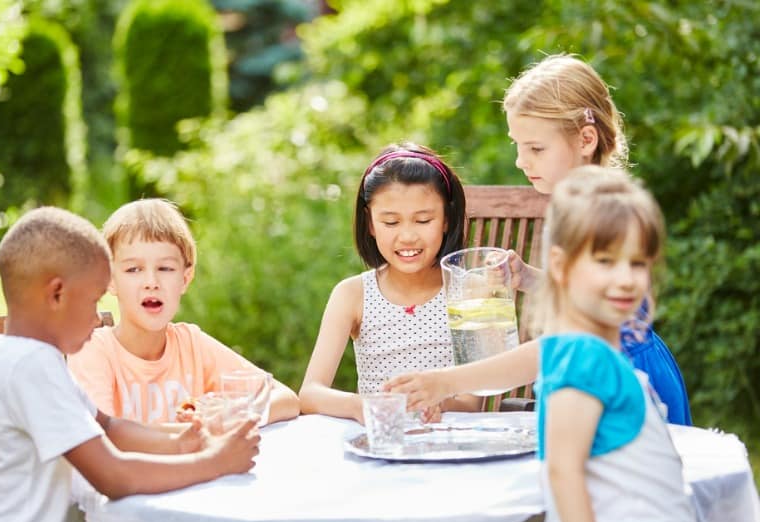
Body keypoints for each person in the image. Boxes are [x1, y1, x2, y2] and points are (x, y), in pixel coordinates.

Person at [388, 54, 692, 426]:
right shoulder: (577, 207)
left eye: (535, 148)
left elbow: (561, 345)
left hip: (620, 385)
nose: (520, 161)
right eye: (518, 145)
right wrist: (527, 278)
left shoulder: (604, 215)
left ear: (585, 139)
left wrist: (447, 381)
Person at [0, 207, 260, 522]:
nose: (97, 318)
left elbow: (109, 426)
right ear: (57, 295)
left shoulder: (30, 359)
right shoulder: (27, 368)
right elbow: (113, 477)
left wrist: (185, 443)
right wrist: (214, 463)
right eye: (92, 301)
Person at [535, 167, 696, 522]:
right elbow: (564, 471)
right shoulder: (585, 356)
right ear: (561, 266)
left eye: (637, 263)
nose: (626, 278)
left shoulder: (585, 351)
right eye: (605, 261)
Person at [67, 198, 299, 427]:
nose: (151, 282)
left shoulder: (192, 345)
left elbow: (286, 399)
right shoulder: (92, 350)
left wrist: (231, 414)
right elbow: (105, 437)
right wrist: (192, 432)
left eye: (165, 268)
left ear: (185, 279)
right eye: (134, 269)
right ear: (109, 279)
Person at [299, 143, 482, 423]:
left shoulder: (468, 290)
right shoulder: (353, 294)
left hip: (448, 442)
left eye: (423, 220)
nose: (407, 236)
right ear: (370, 224)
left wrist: (439, 404)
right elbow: (311, 393)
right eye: (391, 222)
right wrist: (361, 406)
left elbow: (471, 403)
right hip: (381, 442)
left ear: (447, 219)